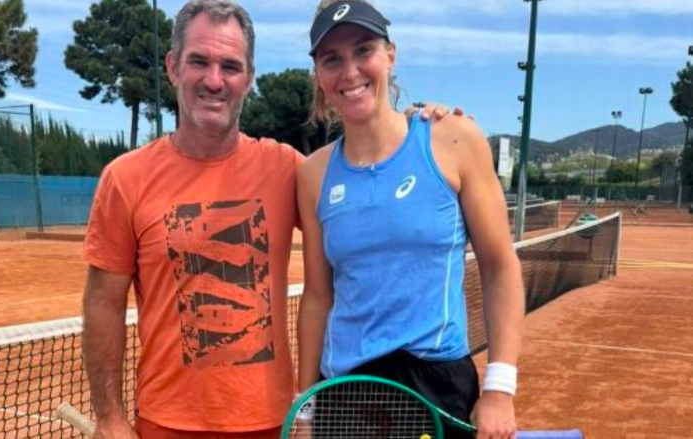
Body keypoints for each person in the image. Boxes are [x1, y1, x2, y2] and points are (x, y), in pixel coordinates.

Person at [81, 1, 454, 438]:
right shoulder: (124, 179)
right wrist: (109, 417)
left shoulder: (290, 170)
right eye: (199, 61)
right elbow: (103, 303)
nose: (214, 80)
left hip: (275, 423)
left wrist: (411, 126)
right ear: (172, 67)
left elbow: (371, 200)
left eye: (231, 66)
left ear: (249, 78)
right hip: (166, 424)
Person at [295, 2, 525, 439]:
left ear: (390, 55)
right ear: (319, 77)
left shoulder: (455, 139)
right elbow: (317, 296)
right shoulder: (313, 175)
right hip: (346, 394)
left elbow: (499, 265)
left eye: (364, 50)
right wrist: (305, 407)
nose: (350, 72)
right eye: (332, 59)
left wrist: (500, 388)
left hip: (437, 387)